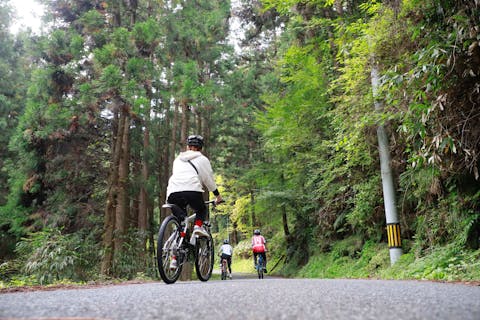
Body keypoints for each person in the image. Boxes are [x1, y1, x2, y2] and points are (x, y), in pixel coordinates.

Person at [166, 134, 223, 239]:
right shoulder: (203, 159)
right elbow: (209, 180)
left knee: (181, 221)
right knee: (201, 209)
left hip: (172, 192)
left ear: (187, 146)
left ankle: (176, 246)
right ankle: (198, 226)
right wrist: (218, 197)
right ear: (201, 148)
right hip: (192, 190)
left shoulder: (177, 159)